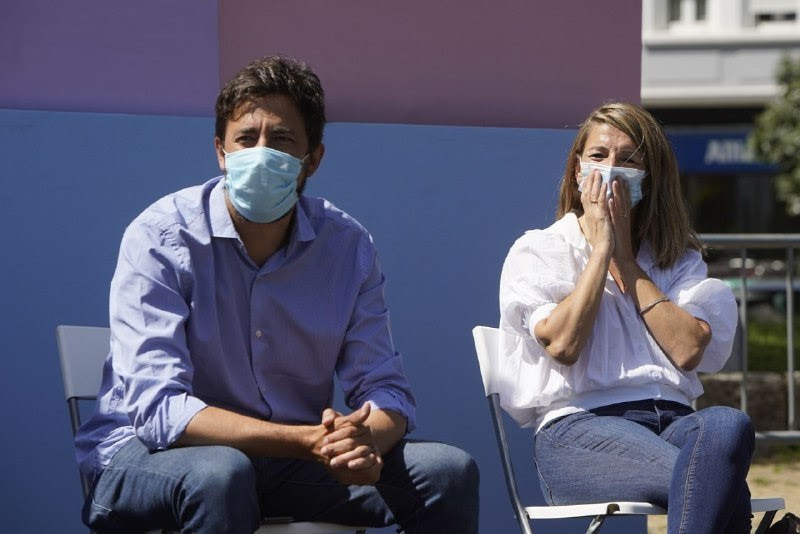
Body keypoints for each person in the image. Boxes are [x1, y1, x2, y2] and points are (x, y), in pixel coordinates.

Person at [75, 55, 479, 534]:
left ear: (313, 159)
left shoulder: (346, 246)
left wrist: (362, 440)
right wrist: (304, 441)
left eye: (282, 140)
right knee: (221, 473)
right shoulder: (161, 237)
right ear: (221, 152)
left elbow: (385, 388)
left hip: (291, 461)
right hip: (148, 457)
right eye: (246, 138)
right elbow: (159, 411)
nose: (261, 152)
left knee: (448, 472)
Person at [498, 102, 752, 533]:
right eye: (598, 156)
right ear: (577, 169)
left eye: (628, 159)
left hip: (674, 422)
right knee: (717, 482)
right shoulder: (540, 250)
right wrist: (600, 252)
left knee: (729, 422)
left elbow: (688, 349)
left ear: (649, 178)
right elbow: (562, 345)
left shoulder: (677, 260)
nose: (611, 169)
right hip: (580, 427)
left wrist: (627, 263)